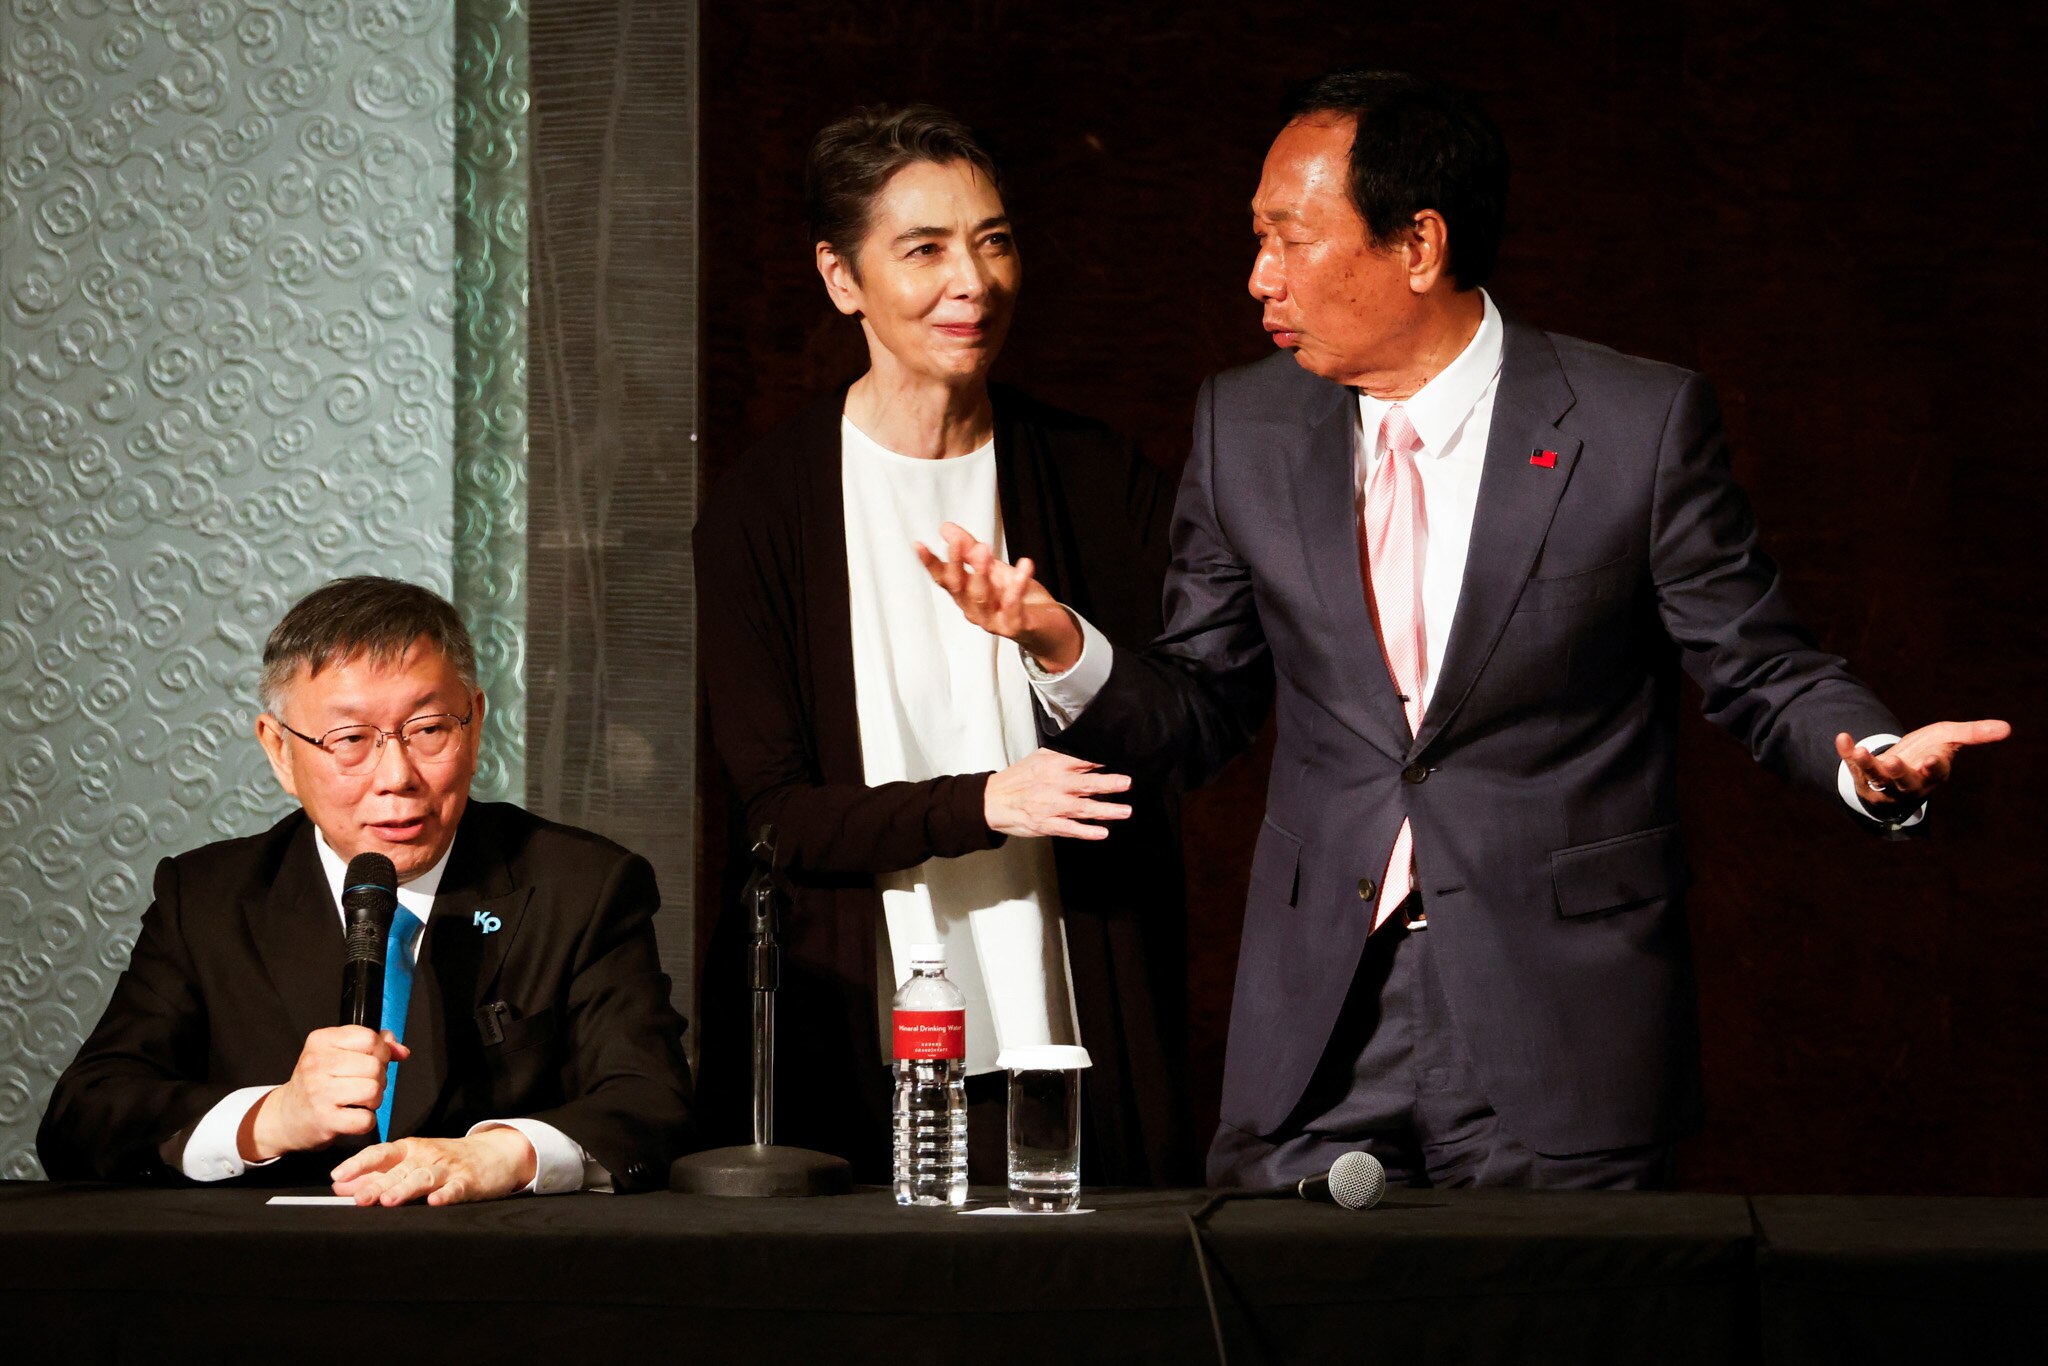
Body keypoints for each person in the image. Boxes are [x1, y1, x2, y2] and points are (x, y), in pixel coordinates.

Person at [921, 70, 2010, 1190]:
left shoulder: (1633, 426)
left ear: (1418, 245)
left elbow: (1758, 662)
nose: (1258, 277)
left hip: (1559, 1020)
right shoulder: (1241, 425)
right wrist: (1060, 643)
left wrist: (1870, 759)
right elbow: (1199, 711)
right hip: (1316, 1025)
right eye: (1257, 239)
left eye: (1288, 238)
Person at [693, 105, 1192, 1185]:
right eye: (923, 250)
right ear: (841, 278)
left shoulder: (1096, 478)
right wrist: (982, 804)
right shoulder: (761, 509)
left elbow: (1187, 726)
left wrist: (1059, 644)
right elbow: (773, 816)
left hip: (1074, 1013)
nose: (971, 280)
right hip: (859, 1031)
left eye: (994, 240)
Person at [38, 577, 694, 1202]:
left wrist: (502, 1154)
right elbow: (86, 1117)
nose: (397, 775)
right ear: (279, 751)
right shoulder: (208, 899)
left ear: (475, 722)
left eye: (430, 729)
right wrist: (269, 1118)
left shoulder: (580, 886)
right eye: (351, 739)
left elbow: (652, 1105)